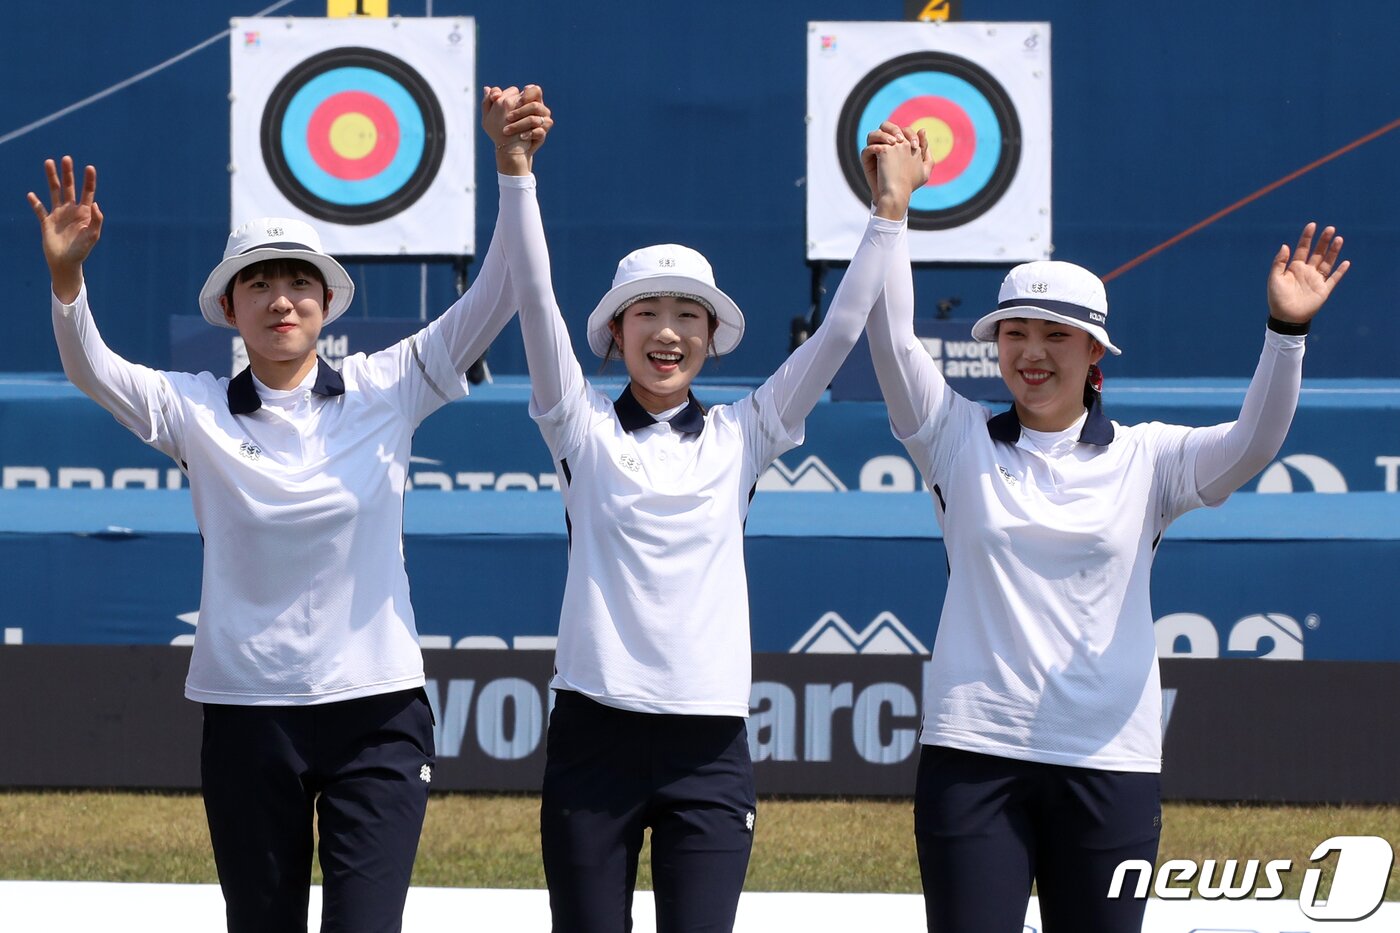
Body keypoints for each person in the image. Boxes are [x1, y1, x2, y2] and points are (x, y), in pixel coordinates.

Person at [27, 86, 552, 933]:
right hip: (246, 717)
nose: (281, 299)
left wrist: (512, 171)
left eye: (299, 282)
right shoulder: (193, 406)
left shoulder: (389, 385)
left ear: (325, 303)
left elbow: (498, 296)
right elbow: (93, 368)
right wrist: (66, 278)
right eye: (259, 283)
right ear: (229, 308)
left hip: (378, 714)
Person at [859, 121, 1349, 933]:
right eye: (1017, 333)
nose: (1032, 353)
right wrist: (892, 210)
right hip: (973, 756)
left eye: (1057, 335)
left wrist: (1285, 333)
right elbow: (889, 337)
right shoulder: (954, 435)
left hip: (1109, 765)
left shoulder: (1149, 458)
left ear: (1096, 355)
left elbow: (1251, 444)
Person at [479, 88, 930, 932]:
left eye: (688, 314)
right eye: (647, 312)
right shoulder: (576, 428)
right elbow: (535, 303)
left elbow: (839, 331)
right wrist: (516, 173)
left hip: (710, 746)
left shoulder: (744, 432)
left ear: (710, 334)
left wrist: (888, 214)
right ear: (614, 331)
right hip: (592, 739)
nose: (668, 331)